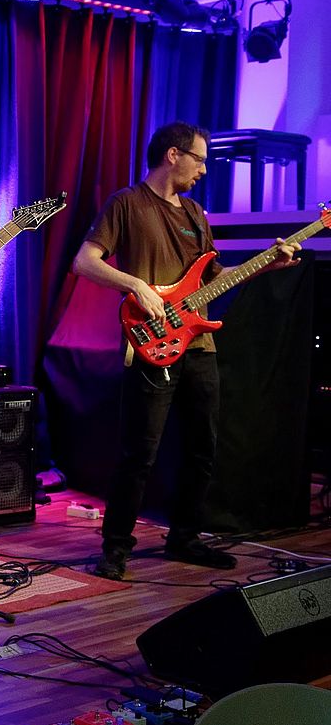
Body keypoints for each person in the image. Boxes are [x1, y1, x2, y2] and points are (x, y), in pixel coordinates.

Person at [71, 121, 298, 581]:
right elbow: (84, 261)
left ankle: (185, 537)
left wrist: (266, 265)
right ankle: (115, 549)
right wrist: (135, 285)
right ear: (173, 155)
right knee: (140, 453)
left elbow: (213, 278)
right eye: (200, 159)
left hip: (198, 343)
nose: (204, 170)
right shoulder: (127, 204)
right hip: (150, 344)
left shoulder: (196, 212)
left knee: (203, 448)